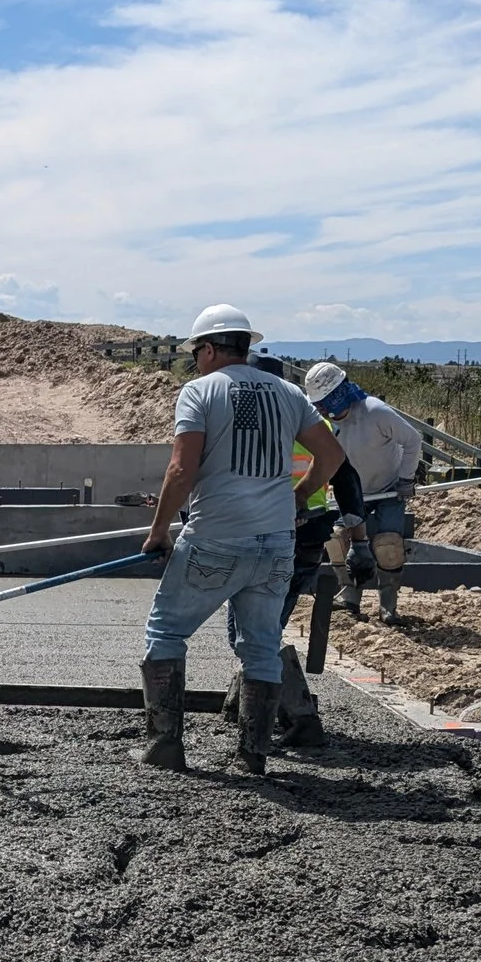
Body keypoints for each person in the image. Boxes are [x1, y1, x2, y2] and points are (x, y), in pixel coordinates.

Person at [137, 306, 346, 776]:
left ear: (208, 349)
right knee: (261, 645)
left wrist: (159, 531)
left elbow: (180, 469)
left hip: (216, 536)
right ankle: (254, 754)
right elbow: (331, 454)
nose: (196, 362)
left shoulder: (200, 391)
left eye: (196, 353)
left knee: (166, 632)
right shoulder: (289, 393)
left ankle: (164, 746)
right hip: (275, 545)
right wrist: (295, 500)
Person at [218, 355, 364, 749]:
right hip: (307, 537)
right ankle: (243, 705)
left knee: (251, 634)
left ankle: (300, 716)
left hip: (276, 536)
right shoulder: (311, 421)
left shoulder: (262, 420)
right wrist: (357, 533)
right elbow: (347, 476)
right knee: (260, 628)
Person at [303, 361, 424, 624]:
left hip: (388, 489)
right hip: (350, 492)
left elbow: (413, 440)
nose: (322, 409)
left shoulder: (375, 412)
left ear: (339, 394)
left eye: (325, 403)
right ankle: (349, 597)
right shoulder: (321, 422)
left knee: (388, 545)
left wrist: (405, 479)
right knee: (336, 540)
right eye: (318, 405)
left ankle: (388, 606)